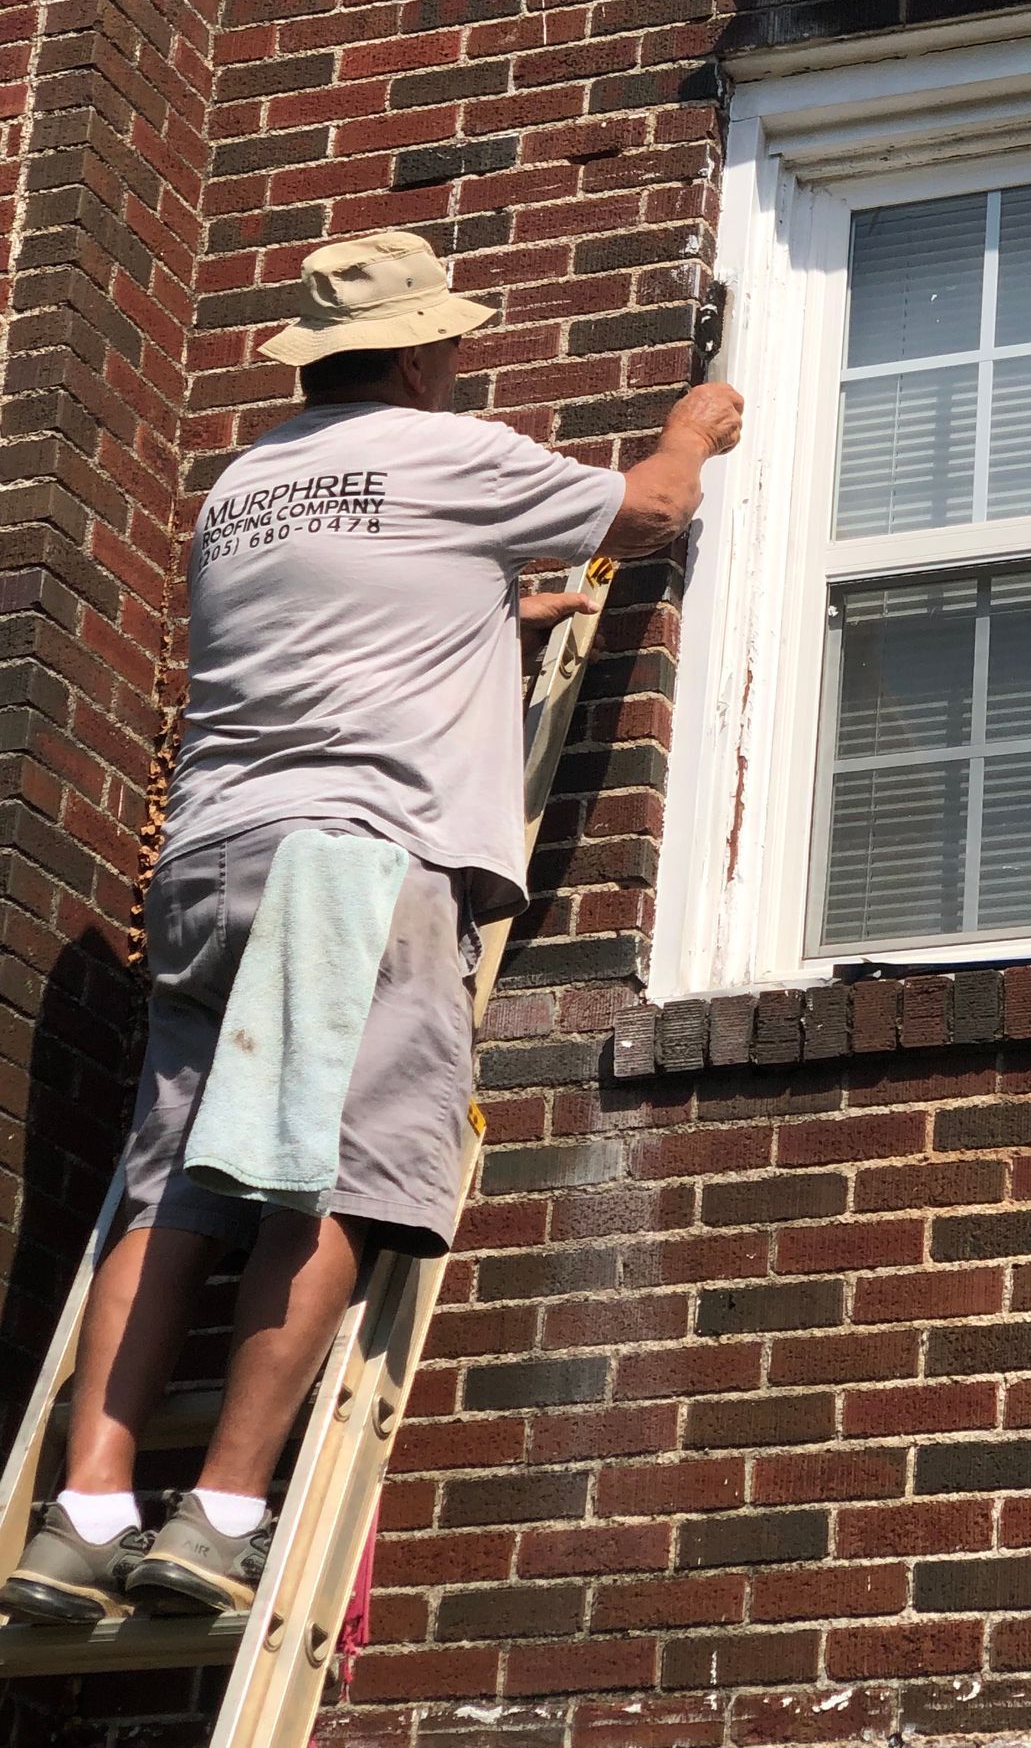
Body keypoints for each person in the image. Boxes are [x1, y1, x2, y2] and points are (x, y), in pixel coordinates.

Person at [1, 230, 741, 1626]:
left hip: (211, 859)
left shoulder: (249, 487)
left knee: (176, 1186)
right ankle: (216, 1515)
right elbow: (642, 514)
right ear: (415, 354)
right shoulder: (447, 457)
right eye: (449, 342)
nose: (460, 360)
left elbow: (359, 613)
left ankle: (83, 1510)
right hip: (355, 858)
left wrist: (492, 616)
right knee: (335, 1178)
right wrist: (693, 429)